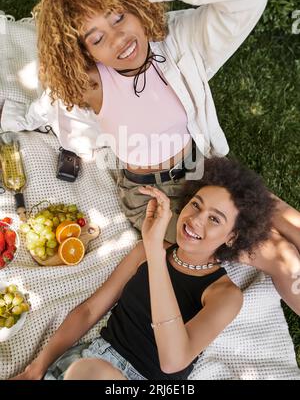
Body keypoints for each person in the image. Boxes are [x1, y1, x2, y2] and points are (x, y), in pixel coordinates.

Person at [1, 0, 299, 314]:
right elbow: (50, 106)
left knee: (291, 222)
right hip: (158, 199)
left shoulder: (177, 43)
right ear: (84, 53)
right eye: (97, 38)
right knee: (280, 254)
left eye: (118, 16)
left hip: (205, 170)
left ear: (135, 4)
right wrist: (12, 117)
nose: (119, 39)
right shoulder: (91, 85)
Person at [11, 157, 275, 380]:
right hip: (85, 363)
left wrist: (155, 252)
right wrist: (35, 369)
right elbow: (89, 310)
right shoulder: (143, 252)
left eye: (214, 219)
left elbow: (173, 361)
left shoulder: (225, 295)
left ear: (232, 237)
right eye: (196, 204)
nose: (194, 219)